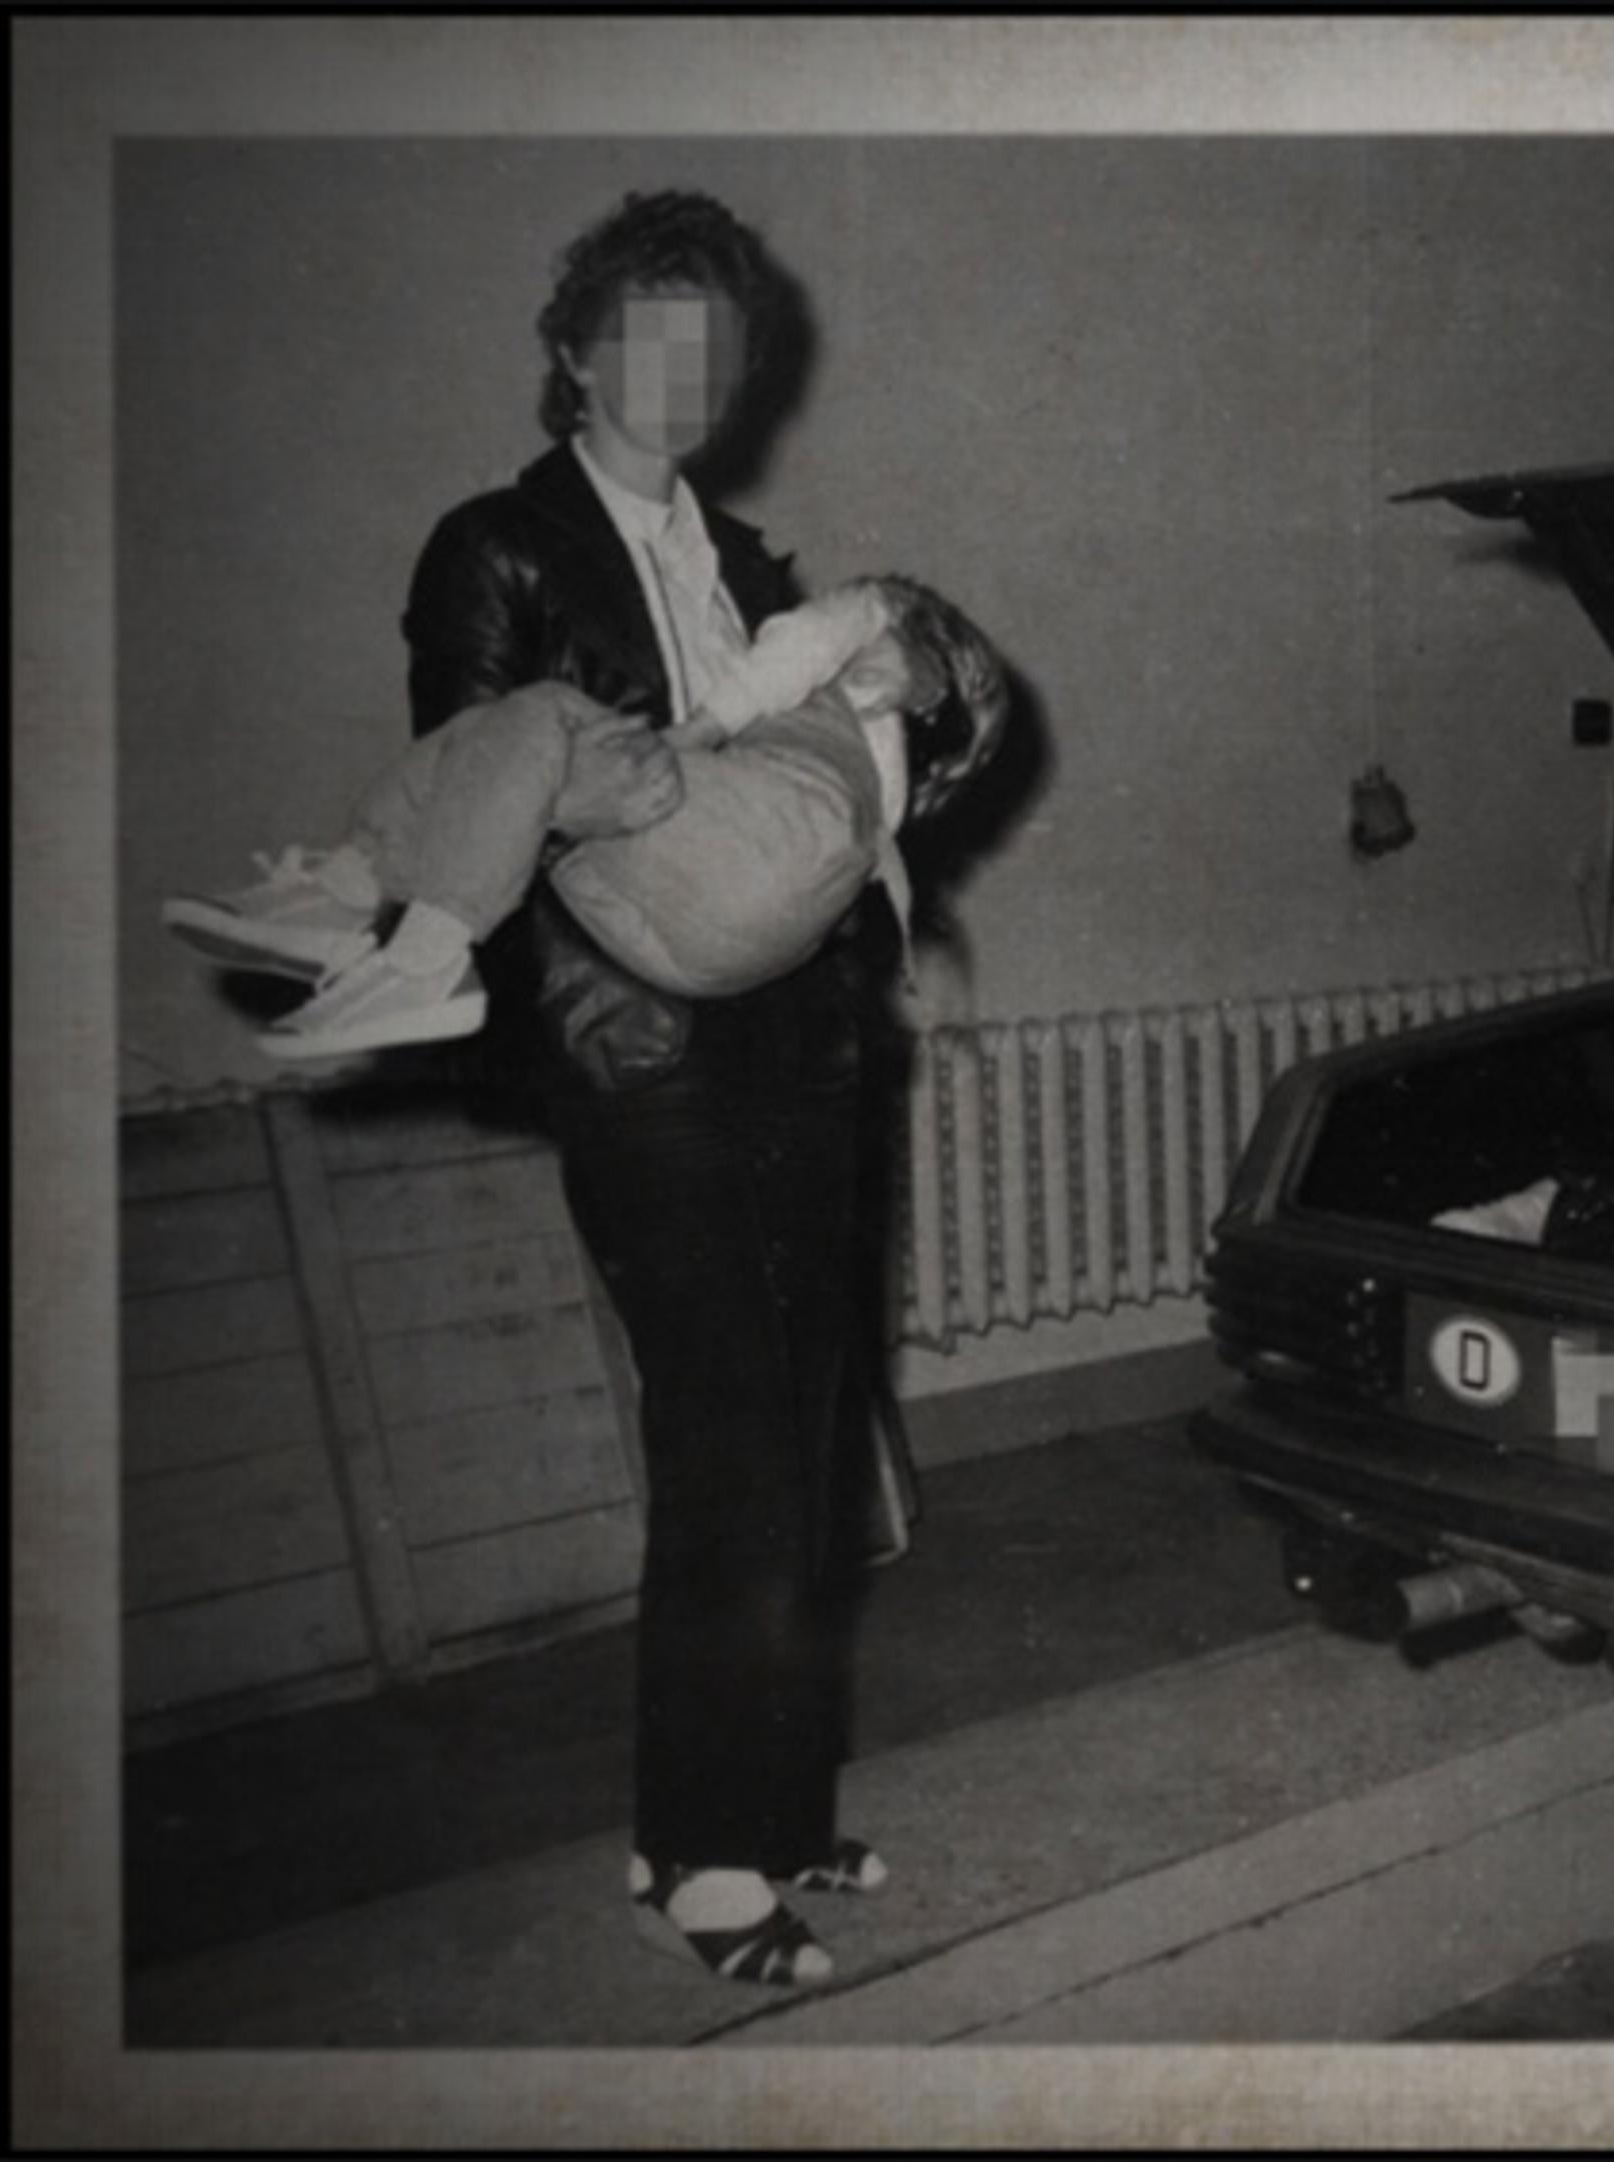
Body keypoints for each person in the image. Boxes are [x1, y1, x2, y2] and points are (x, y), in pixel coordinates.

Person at [389, 188, 945, 1989]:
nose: (685, 372)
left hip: (805, 1039)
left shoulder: (760, 572)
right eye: (648, 336)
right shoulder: (498, 549)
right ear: (575, 351)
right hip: (638, 1051)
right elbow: (467, 784)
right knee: (727, 1438)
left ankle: (752, 1808)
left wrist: (913, 694)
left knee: (802, 1434)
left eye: (715, 345)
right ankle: (709, 1853)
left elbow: (848, 794)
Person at [164, 573, 1008, 1060]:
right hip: (729, 951)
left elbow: (796, 647)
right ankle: (355, 901)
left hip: (748, 859)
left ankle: (387, 926)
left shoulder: (884, 621)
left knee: (539, 713)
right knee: (518, 771)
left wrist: (696, 732)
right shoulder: (885, 769)